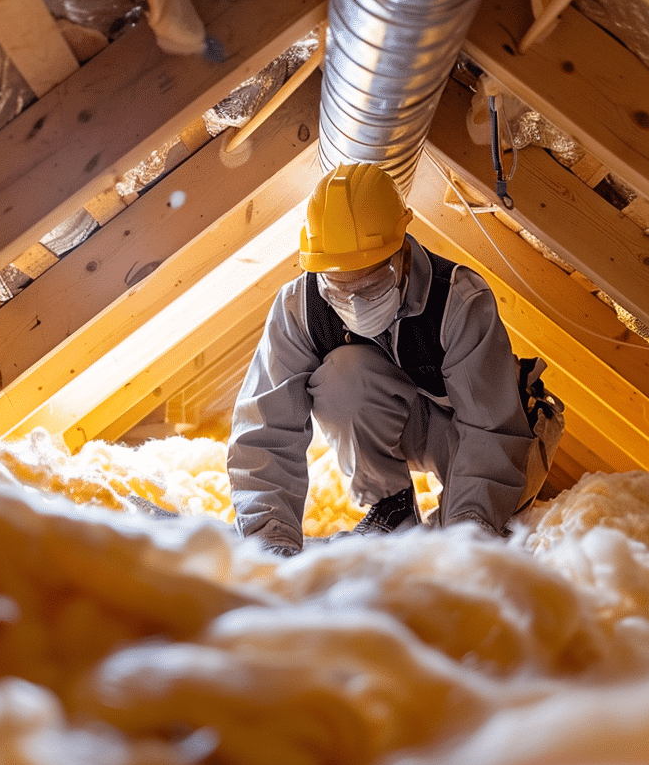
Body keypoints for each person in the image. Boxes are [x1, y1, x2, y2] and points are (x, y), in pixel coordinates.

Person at [227, 162, 537, 557]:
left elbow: (490, 431)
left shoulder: (460, 301)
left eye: (371, 284)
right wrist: (267, 539)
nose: (355, 303)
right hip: (406, 421)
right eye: (339, 289)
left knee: (479, 532)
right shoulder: (298, 307)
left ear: (402, 252)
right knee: (343, 378)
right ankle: (392, 506)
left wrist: (468, 536)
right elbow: (265, 429)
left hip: (491, 434)